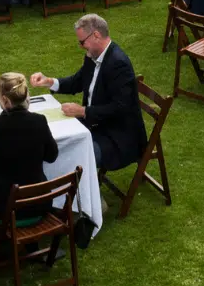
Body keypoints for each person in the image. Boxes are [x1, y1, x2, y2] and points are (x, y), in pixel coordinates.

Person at [0, 70, 57, 280]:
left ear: (4, 100)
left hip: (2, 209)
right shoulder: (39, 121)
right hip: (37, 204)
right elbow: (52, 155)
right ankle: (30, 245)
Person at [30, 13, 146, 173]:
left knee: (70, 157)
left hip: (116, 137)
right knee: (53, 145)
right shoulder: (93, 57)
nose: (81, 46)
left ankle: (79, 195)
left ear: (96, 35)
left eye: (82, 42)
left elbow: (120, 108)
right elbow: (77, 81)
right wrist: (49, 81)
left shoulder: (119, 64)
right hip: (94, 125)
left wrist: (83, 111)